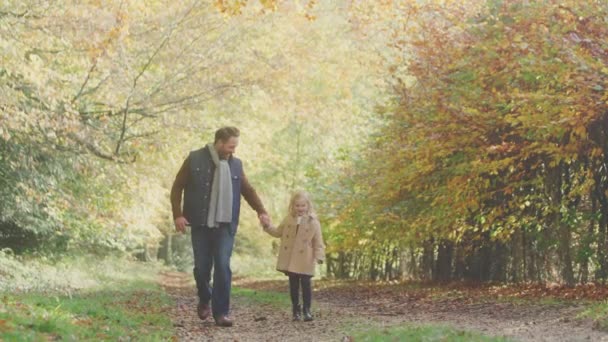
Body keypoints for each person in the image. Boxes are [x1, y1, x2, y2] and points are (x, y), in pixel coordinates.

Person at [171, 126, 270, 327]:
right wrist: (178, 215)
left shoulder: (236, 165)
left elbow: (248, 191)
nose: (233, 150)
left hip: (225, 224)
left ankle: (221, 313)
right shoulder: (195, 158)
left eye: (235, 147)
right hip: (200, 222)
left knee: (223, 266)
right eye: (231, 146)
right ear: (219, 142)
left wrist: (261, 211)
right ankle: (205, 297)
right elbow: (177, 186)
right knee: (201, 268)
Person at [262, 190, 325, 322]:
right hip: (291, 258)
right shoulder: (288, 219)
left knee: (306, 284)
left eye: (303, 205)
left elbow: (318, 241)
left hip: (306, 258)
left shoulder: (313, 221)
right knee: (294, 285)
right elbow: (278, 232)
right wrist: (267, 225)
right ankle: (295, 310)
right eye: (297, 205)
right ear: (293, 206)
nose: (300, 208)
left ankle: (307, 310)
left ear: (308, 206)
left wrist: (319, 256)